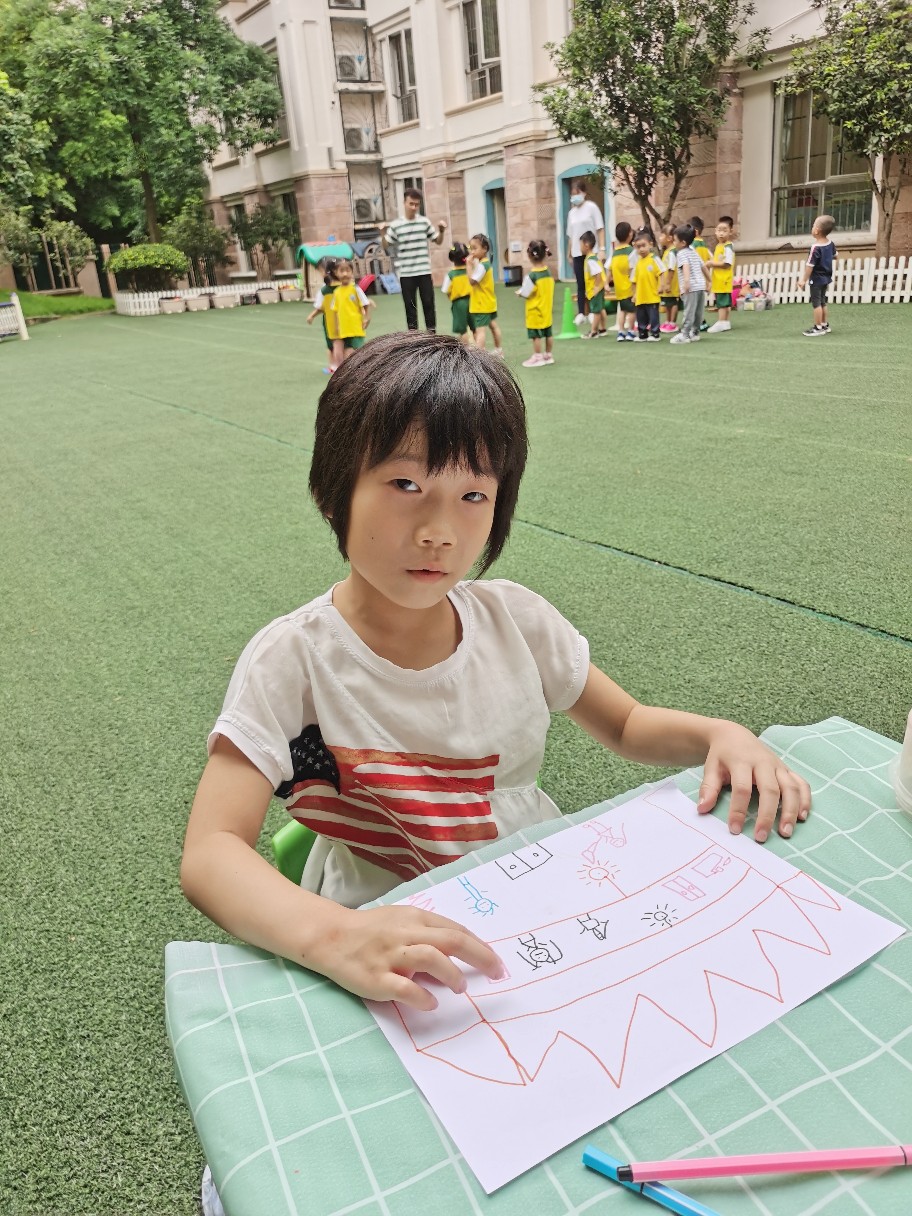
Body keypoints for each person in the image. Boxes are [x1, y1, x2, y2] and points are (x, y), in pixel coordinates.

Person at [180, 331, 812, 1021]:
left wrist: (720, 734)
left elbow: (627, 725)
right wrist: (335, 936)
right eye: (406, 485)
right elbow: (212, 851)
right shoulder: (291, 660)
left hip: (535, 891)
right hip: (381, 929)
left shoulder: (517, 621)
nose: (439, 530)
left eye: (473, 494)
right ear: (334, 491)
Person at [380, 187, 447, 331]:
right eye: (411, 204)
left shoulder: (424, 222)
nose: (414, 207)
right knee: (410, 307)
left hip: (424, 271)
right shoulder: (396, 225)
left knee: (428, 304)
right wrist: (382, 233)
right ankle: (413, 337)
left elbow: (438, 241)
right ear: (404, 203)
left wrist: (441, 231)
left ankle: (432, 335)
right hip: (406, 273)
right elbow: (386, 245)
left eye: (417, 204)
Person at [565, 178, 605, 323]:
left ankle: (594, 311)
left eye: (577, 193)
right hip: (577, 252)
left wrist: (602, 249)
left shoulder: (591, 207)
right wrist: (569, 253)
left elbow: (600, 229)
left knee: (593, 282)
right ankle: (582, 312)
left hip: (591, 252)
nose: (574, 196)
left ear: (584, 192)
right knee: (580, 283)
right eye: (572, 194)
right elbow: (571, 235)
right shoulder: (571, 213)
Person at [516, 239, 555, 367]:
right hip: (546, 309)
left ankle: (538, 356)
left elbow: (526, 292)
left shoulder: (532, 276)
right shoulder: (548, 273)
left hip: (535, 310)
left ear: (529, 255)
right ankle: (548, 355)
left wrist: (520, 293)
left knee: (536, 336)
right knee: (548, 333)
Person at [670, 223, 711, 345]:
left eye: (675, 240)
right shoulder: (693, 251)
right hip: (700, 286)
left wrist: (686, 282)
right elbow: (703, 266)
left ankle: (685, 334)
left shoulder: (681, 253)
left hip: (691, 287)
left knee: (689, 311)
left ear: (683, 243)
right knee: (698, 312)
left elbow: (686, 266)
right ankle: (695, 332)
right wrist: (709, 280)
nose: (673, 242)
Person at [797, 215, 837, 337]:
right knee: (823, 301)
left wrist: (803, 280)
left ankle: (818, 327)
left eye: (814, 225)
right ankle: (824, 324)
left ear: (817, 231)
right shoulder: (830, 243)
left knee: (816, 303)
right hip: (826, 277)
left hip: (816, 279)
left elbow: (810, 265)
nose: (812, 227)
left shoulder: (815, 248)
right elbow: (835, 256)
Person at [465, 233, 503, 356]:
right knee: (493, 326)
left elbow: (472, 281)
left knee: (480, 330)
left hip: (482, 303)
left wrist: (468, 266)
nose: (472, 252)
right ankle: (499, 350)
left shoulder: (482, 266)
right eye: (471, 248)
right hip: (488, 301)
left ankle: (479, 356)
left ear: (485, 249)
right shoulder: (484, 264)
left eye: (475, 248)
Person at [327, 259, 371, 366]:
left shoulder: (355, 289)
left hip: (356, 328)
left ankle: (364, 368)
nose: (345, 274)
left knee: (356, 352)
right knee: (348, 355)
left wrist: (366, 317)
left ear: (352, 272)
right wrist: (336, 327)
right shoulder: (337, 292)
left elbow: (365, 304)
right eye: (342, 271)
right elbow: (335, 311)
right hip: (344, 330)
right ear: (336, 273)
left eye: (347, 270)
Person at [305, 257, 340, 373]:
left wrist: (312, 315)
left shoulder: (343, 288)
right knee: (332, 344)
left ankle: (337, 366)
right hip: (330, 320)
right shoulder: (324, 290)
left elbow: (320, 307)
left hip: (340, 320)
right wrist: (312, 315)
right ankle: (333, 366)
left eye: (321, 270)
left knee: (337, 344)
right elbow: (321, 307)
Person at [631, 230, 664, 341]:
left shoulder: (654, 259)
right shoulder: (638, 262)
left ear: (650, 244)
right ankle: (642, 333)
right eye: (638, 247)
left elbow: (661, 272)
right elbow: (634, 280)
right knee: (641, 316)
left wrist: (661, 285)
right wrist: (634, 294)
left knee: (653, 316)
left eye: (643, 245)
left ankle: (655, 333)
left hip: (652, 295)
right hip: (641, 296)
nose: (641, 249)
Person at [706, 216, 736, 334]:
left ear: (730, 231)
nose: (721, 233)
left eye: (724, 230)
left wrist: (711, 263)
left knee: (722, 302)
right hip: (718, 279)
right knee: (722, 301)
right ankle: (725, 322)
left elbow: (727, 263)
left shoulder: (728, 246)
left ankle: (722, 321)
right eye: (719, 230)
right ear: (715, 231)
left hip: (723, 279)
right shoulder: (719, 246)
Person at [608, 222, 637, 342]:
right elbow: (634, 268)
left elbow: (609, 268)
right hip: (630, 287)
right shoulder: (631, 251)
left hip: (619, 288)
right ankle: (630, 331)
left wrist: (607, 282)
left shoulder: (614, 253)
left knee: (622, 310)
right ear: (630, 234)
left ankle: (621, 331)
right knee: (632, 311)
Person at [441, 242, 475, 347]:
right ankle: (479, 349)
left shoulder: (451, 274)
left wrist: (452, 298)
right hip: (473, 301)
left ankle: (466, 350)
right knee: (475, 328)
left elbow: (446, 290)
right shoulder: (470, 271)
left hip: (458, 303)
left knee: (462, 330)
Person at [577, 231, 607, 339]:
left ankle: (594, 331)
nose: (579, 247)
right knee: (601, 308)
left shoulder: (591, 260)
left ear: (586, 245)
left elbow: (598, 273)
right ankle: (603, 329)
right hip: (597, 289)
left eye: (580, 244)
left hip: (595, 290)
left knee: (596, 311)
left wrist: (596, 288)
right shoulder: (591, 258)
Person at [690, 216, 712, 331]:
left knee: (694, 302)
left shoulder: (693, 244)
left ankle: (699, 322)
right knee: (699, 302)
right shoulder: (703, 244)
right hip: (702, 276)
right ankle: (700, 321)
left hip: (695, 277)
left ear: (695, 231)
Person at [658, 223, 681, 333]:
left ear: (669, 238)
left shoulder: (672, 252)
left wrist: (667, 283)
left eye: (662, 235)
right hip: (667, 282)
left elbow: (671, 268)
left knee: (673, 302)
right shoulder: (667, 251)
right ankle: (667, 320)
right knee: (667, 303)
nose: (660, 238)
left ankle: (673, 322)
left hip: (672, 282)